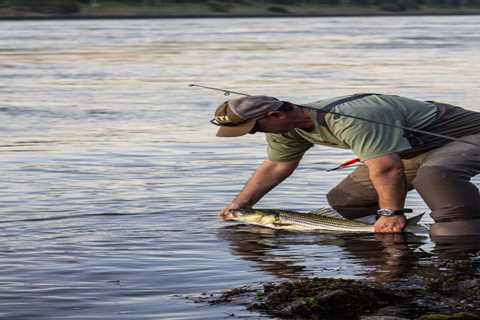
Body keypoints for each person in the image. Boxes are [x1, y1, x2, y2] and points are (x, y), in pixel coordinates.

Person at [212, 93, 480, 235]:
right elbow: (276, 166)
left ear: (276, 114)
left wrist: (390, 212)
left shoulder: (350, 118)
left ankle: (458, 248)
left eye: (254, 129)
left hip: (469, 136)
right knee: (346, 200)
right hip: (417, 148)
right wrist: (240, 206)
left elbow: (387, 168)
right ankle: (393, 243)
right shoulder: (287, 129)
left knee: (435, 175)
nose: (254, 134)